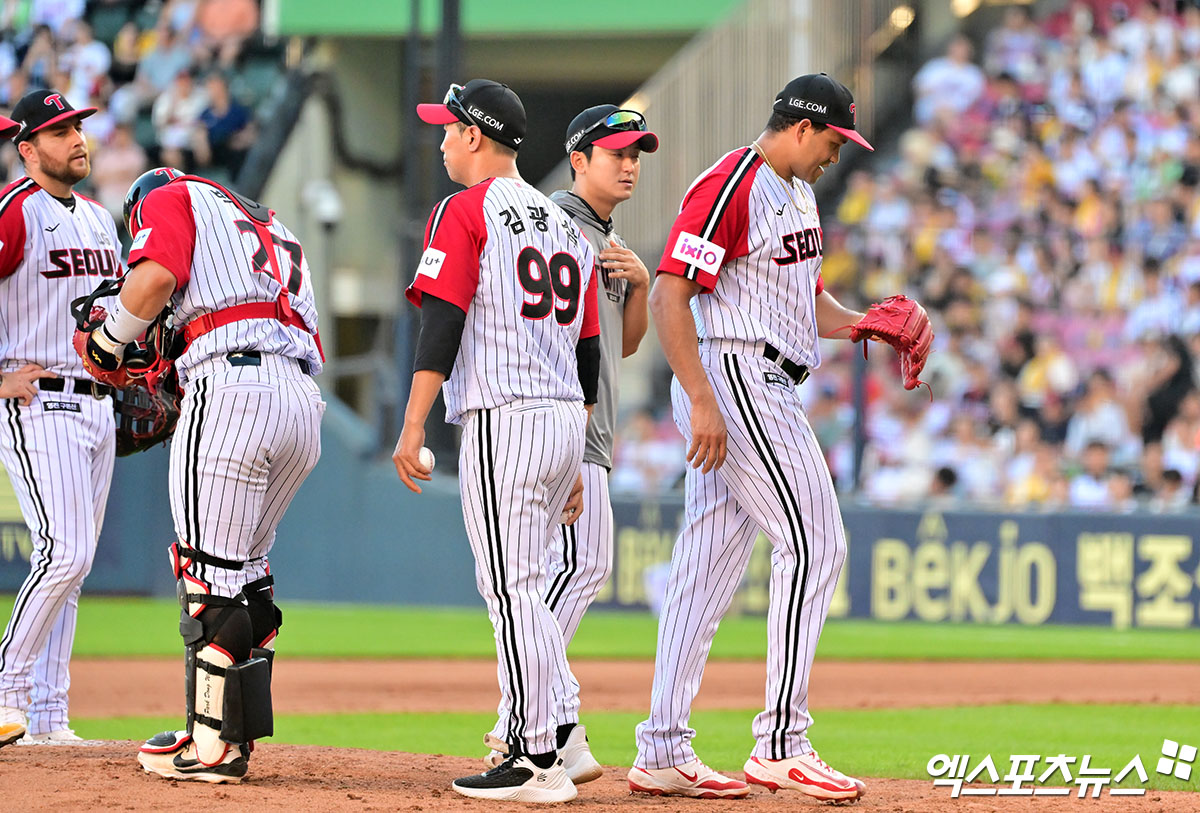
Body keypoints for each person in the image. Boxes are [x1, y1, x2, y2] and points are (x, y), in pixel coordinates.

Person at [630, 73, 896, 802]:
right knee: (816, 541)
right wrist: (699, 395)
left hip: (764, 374)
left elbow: (805, 302)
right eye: (836, 140)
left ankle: (661, 748)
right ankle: (781, 741)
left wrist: (866, 320)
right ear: (804, 128)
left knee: (705, 569)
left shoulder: (799, 193)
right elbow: (669, 293)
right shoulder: (731, 183)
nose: (838, 155)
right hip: (738, 375)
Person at [76, 166, 324, 781]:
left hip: (232, 387)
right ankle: (233, 739)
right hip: (301, 404)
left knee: (205, 577)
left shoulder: (169, 196)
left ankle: (208, 747)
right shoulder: (274, 228)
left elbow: (155, 277)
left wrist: (110, 343)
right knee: (250, 578)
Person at [393, 79, 600, 804]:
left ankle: (534, 757)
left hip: (506, 415)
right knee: (531, 587)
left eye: (448, 130)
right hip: (562, 416)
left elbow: (442, 321)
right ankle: (557, 739)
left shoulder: (466, 208)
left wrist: (414, 420)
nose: (443, 140)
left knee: (510, 588)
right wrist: (576, 452)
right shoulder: (564, 220)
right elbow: (588, 352)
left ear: (475, 135)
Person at [481, 104, 657, 778]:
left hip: (588, 423)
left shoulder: (603, 237)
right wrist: (572, 431)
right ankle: (519, 719)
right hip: (567, 425)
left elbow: (625, 343)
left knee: (570, 570)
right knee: (575, 570)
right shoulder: (559, 225)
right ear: (579, 158)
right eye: (616, 152)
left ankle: (562, 727)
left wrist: (638, 285)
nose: (629, 164)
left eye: (636, 154)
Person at [0, 90, 120, 748]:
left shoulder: (102, 219)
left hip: (97, 404)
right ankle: (4, 687)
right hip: (36, 396)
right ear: (28, 149)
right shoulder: (15, 212)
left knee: (74, 567)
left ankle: (48, 717)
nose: (76, 137)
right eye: (58, 130)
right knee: (63, 550)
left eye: (77, 125)